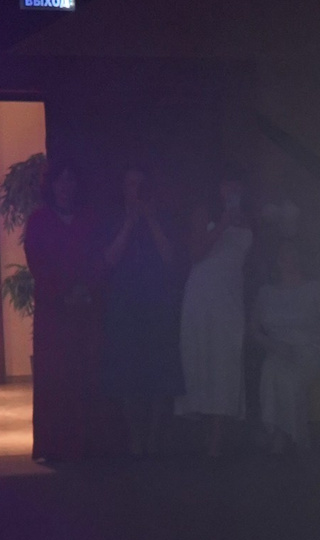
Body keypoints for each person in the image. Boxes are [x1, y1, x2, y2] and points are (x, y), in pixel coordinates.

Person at [23, 159, 105, 465]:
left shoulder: (88, 220)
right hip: (53, 312)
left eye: (71, 180)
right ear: (52, 184)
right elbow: (37, 263)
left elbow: (97, 260)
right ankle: (54, 445)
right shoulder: (39, 221)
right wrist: (64, 293)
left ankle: (84, 444)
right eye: (61, 180)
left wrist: (85, 290)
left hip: (86, 309)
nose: (66, 186)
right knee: (54, 376)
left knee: (83, 374)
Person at [101, 164, 182, 457]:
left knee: (158, 371)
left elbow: (170, 257)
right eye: (131, 184)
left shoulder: (161, 218)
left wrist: (149, 219)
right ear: (124, 189)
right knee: (126, 373)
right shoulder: (114, 219)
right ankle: (135, 438)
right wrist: (129, 223)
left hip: (155, 303)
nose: (136, 191)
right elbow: (109, 260)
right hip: (125, 304)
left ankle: (154, 438)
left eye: (141, 185)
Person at [177, 172, 253, 458]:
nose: (232, 189)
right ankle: (201, 440)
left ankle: (218, 443)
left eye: (237, 184)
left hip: (230, 296)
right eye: (228, 183)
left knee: (225, 362)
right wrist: (222, 223)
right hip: (203, 294)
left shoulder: (249, 218)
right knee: (201, 359)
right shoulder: (204, 213)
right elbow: (195, 253)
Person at [252, 241, 320, 455]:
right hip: (277, 351)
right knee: (270, 372)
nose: (289, 261)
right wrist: (272, 345)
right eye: (284, 257)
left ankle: (293, 437)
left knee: (291, 379)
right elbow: (254, 330)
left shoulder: (314, 289)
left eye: (293, 256)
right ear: (277, 261)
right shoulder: (266, 293)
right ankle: (277, 432)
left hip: (309, 351)